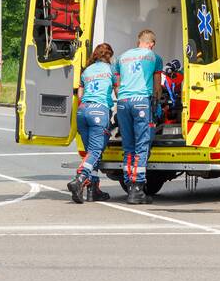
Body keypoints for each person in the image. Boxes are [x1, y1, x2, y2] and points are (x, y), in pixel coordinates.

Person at [115, 30, 163, 204]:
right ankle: (138, 188)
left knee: (128, 146)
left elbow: (117, 85)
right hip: (141, 102)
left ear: (139, 41)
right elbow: (157, 86)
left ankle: (129, 183)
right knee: (142, 145)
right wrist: (157, 104)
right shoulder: (154, 57)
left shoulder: (122, 57)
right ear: (151, 44)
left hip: (123, 102)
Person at [67, 43, 117, 204]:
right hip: (99, 111)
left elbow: (80, 93)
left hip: (83, 111)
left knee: (91, 153)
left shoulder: (87, 71)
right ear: (109, 56)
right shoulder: (110, 70)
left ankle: (93, 190)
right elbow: (118, 90)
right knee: (95, 151)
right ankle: (80, 179)